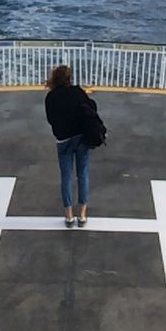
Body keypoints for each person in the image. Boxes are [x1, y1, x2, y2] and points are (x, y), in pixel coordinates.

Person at [44, 63, 93, 227]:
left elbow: (50, 119)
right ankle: (83, 214)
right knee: (83, 174)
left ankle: (69, 216)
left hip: (63, 140)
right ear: (69, 78)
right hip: (81, 138)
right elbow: (90, 109)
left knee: (66, 177)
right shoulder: (78, 92)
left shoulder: (51, 97)